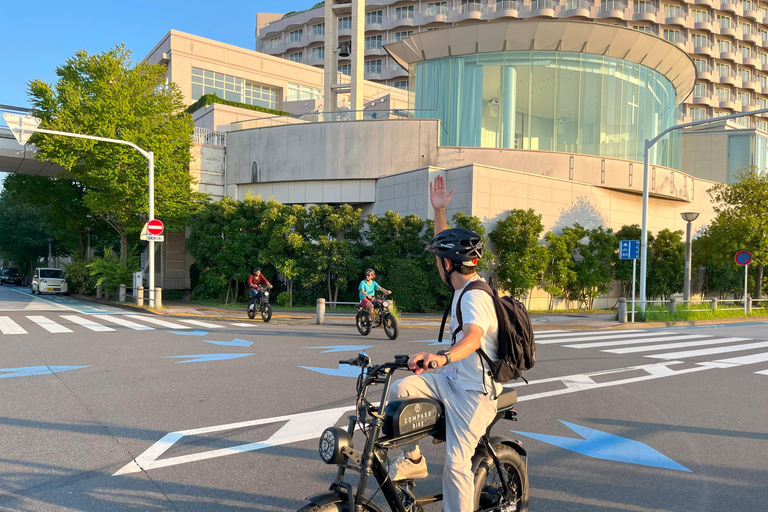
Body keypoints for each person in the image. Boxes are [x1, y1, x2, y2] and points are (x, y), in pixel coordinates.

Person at [386, 174, 500, 512]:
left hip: (473, 393)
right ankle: (414, 459)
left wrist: (442, 358)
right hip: (450, 381)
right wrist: (439, 212)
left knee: (455, 467)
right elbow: (444, 247)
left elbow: (474, 338)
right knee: (402, 390)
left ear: (450, 264)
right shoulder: (461, 285)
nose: (439, 264)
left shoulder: (475, 298)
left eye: (440, 259)